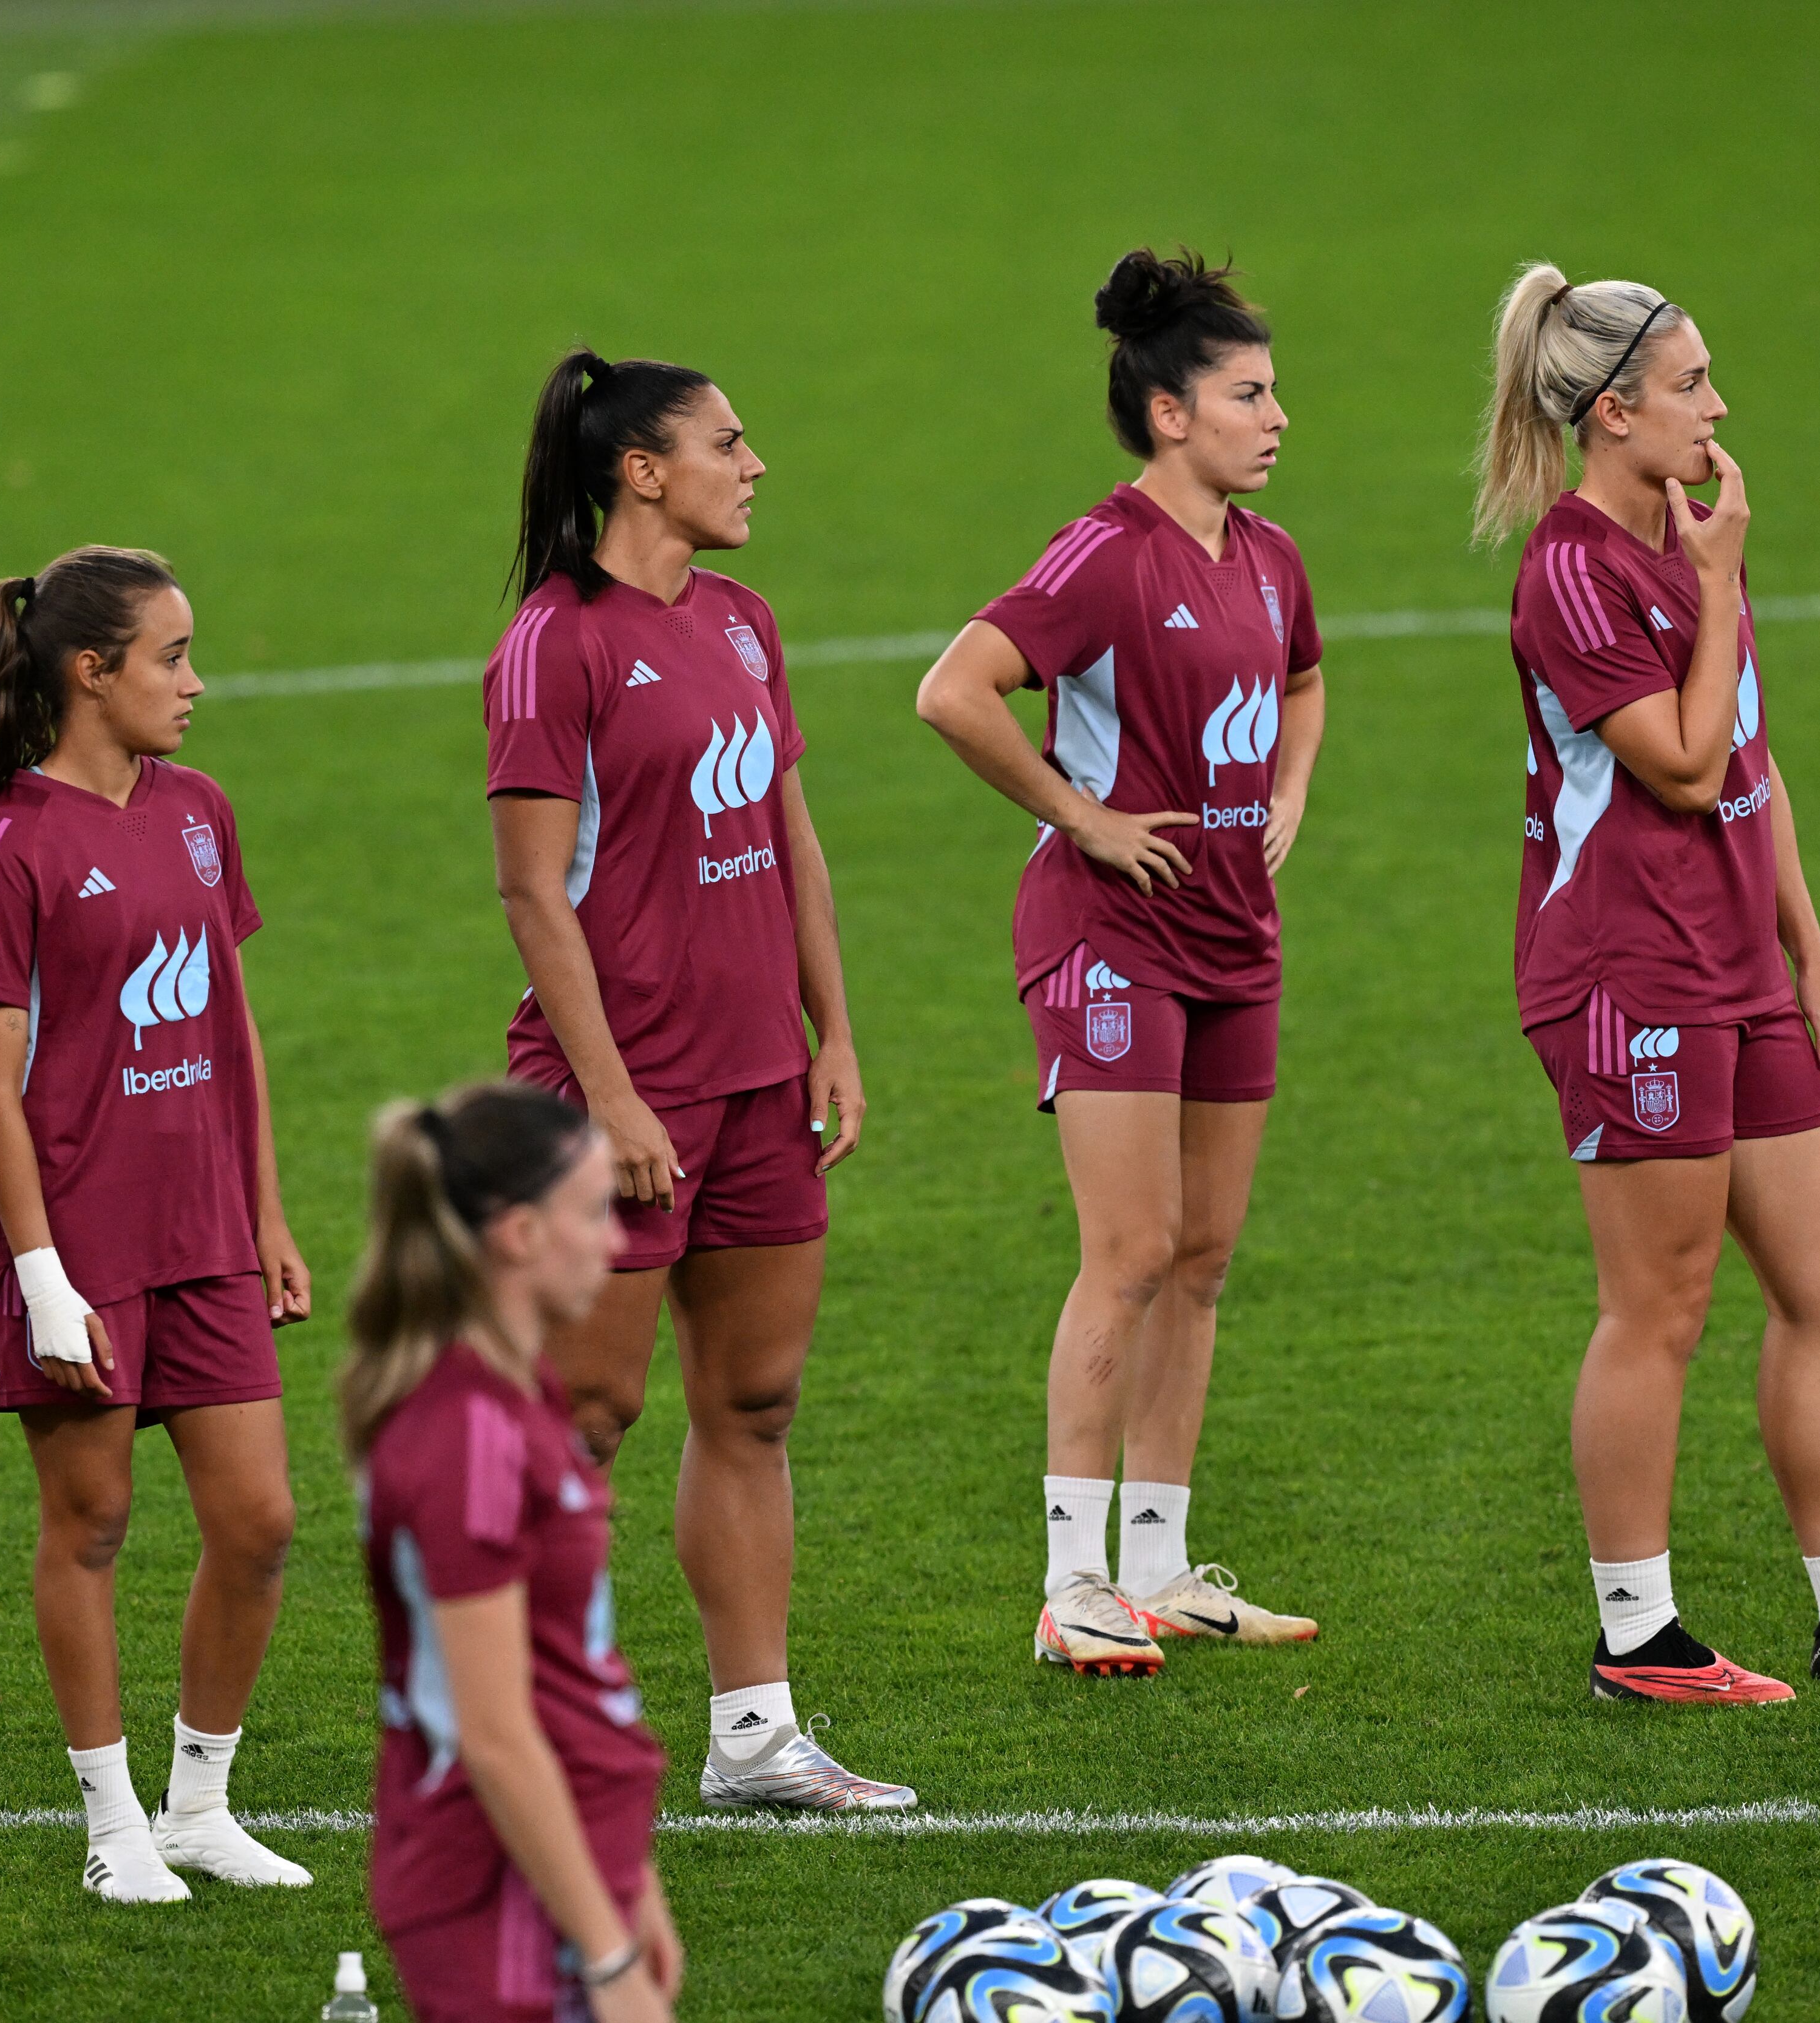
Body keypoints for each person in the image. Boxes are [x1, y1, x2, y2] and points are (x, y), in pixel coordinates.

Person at [1475, 262, 1820, 1702]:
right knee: (1661, 1301)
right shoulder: (1572, 569)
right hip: (1622, 973)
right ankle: (1637, 1634)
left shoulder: (1696, 542)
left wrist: (1809, 958)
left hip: (1733, 961)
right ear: (1613, 409)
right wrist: (1709, 586)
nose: (1719, 406)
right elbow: (1685, 759)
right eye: (1694, 383)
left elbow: (1752, 772)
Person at [484, 349, 909, 1806]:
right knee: (584, 1410)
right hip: (614, 1091)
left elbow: (793, 839)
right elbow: (534, 895)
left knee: (758, 1400)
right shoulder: (556, 643)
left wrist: (832, 1032)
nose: (757, 461)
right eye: (730, 441)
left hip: (755, 1082)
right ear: (642, 472)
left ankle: (752, 1737)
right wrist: (609, 1098)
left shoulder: (743, 621)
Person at [915, 249, 1326, 1677]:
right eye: (1248, 395)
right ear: (1168, 414)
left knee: (1202, 1258)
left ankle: (1158, 1564)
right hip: (1108, 937)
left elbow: (1304, 678)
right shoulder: (1102, 556)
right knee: (1132, 1248)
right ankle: (1071, 1578)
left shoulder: (1267, 558)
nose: (1277, 418)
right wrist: (1080, 817)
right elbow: (952, 691)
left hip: (1230, 935)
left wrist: (1286, 793)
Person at [0, 545, 316, 1896]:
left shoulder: (200, 810)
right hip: (76, 1239)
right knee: (91, 1520)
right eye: (171, 658)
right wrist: (40, 1277)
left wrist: (266, 1209)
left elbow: (233, 1027)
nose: (194, 683)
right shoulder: (9, 843)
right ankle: (112, 1831)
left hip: (204, 1224)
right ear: (90, 672)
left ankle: (199, 1805)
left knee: (260, 1517)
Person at [348, 1083, 682, 2023]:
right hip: (496, 1888)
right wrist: (609, 1958)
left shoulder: (520, 1388)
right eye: (592, 1216)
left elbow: (570, 1665)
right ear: (518, 1235)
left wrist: (631, 1883)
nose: (617, 1244)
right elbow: (493, 1732)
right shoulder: (471, 1442)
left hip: (566, 1866)